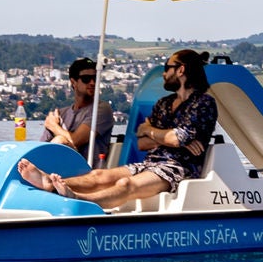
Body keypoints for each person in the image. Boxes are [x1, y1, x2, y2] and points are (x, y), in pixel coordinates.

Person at [14, 48, 218, 208]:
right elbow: (142, 141)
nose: (164, 73)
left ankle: (76, 197)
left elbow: (175, 139)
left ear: (181, 70)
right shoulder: (163, 104)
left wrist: (155, 132)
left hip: (177, 168)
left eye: (167, 67)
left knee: (125, 185)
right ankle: (50, 182)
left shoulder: (203, 103)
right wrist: (162, 136)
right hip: (150, 163)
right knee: (98, 176)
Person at [40, 57, 115, 163]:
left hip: (86, 172)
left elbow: (75, 141)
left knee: (60, 141)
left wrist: (53, 126)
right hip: (57, 169)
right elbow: (41, 147)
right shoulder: (61, 114)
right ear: (73, 82)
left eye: (95, 78)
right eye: (86, 79)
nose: (92, 83)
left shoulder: (102, 109)